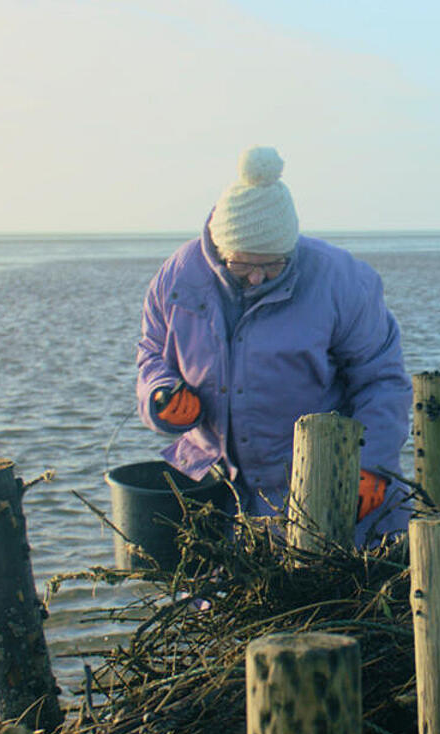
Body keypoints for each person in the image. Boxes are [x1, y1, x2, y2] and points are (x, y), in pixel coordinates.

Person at [135, 146, 410, 546]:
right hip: (217, 495)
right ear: (219, 249)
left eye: (274, 264)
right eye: (243, 265)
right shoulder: (177, 276)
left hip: (320, 489)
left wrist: (372, 468)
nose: (259, 278)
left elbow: (384, 382)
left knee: (326, 600)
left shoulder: (344, 281)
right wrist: (160, 396)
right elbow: (152, 353)